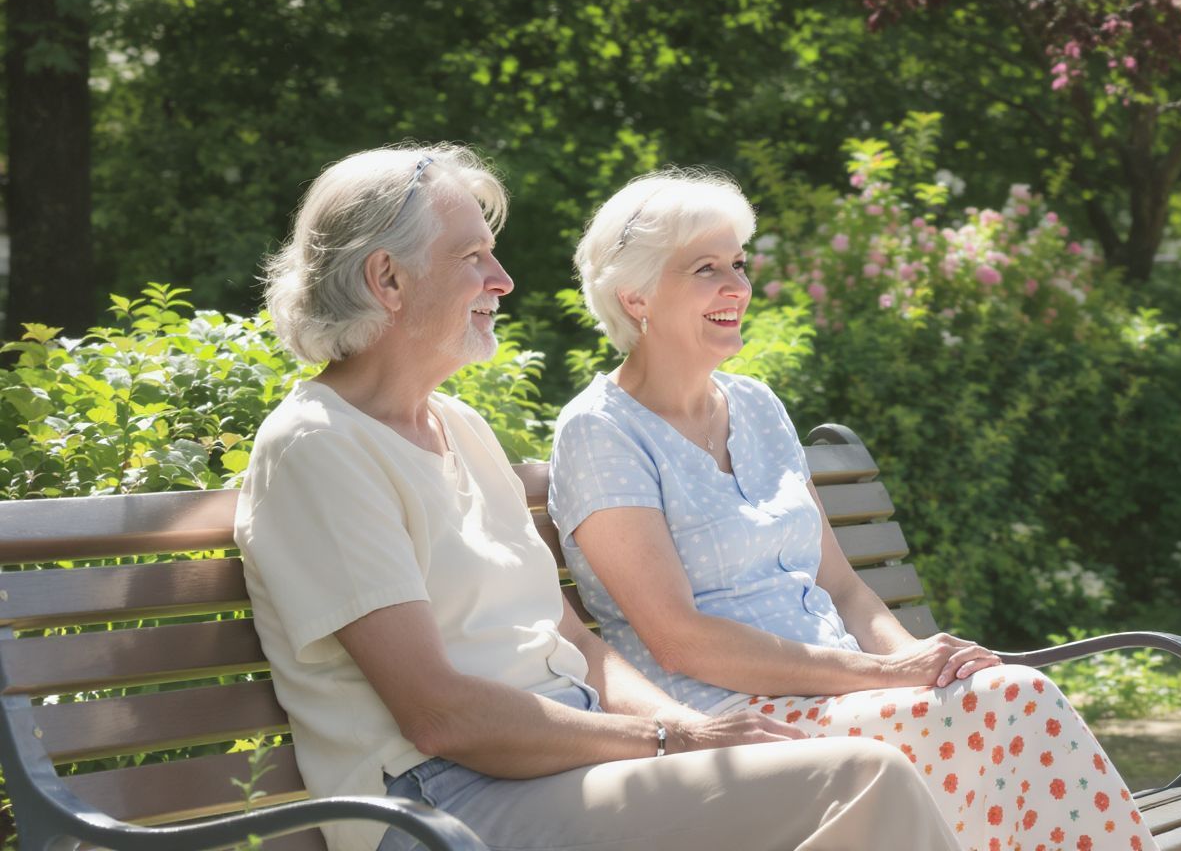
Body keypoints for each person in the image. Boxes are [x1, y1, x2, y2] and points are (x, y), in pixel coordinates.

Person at [234, 145, 963, 851]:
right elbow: (440, 715)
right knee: (860, 781)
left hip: (565, 763)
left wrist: (685, 731)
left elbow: (578, 645)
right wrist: (673, 737)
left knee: (854, 777)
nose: (503, 279)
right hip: (442, 803)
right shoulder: (318, 448)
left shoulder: (458, 426)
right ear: (387, 279)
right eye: (472, 258)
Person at [548, 168, 1158, 851]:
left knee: (1000, 695)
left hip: (840, 692)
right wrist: (887, 674)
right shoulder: (601, 431)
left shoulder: (756, 405)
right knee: (1015, 704)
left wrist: (920, 659)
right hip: (729, 719)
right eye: (705, 269)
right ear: (636, 296)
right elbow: (678, 637)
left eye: (739, 265)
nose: (737, 287)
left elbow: (839, 583)